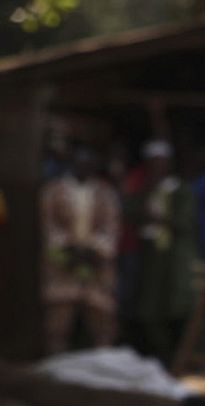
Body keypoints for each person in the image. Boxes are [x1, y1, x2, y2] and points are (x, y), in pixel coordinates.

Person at [40, 147, 120, 353]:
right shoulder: (54, 190)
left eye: (89, 163)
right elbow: (47, 225)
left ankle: (102, 360)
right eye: (79, 163)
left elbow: (111, 225)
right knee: (58, 318)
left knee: (101, 317)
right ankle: (57, 363)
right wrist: (68, 250)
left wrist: (95, 250)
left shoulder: (105, 192)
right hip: (63, 261)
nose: (84, 167)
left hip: (96, 262)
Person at [128, 140, 196, 363]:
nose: (157, 167)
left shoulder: (179, 189)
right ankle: (158, 355)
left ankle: (180, 357)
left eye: (161, 162)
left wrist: (159, 218)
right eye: (153, 162)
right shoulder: (143, 188)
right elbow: (130, 213)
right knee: (148, 309)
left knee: (178, 306)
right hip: (151, 256)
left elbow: (184, 222)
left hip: (175, 258)